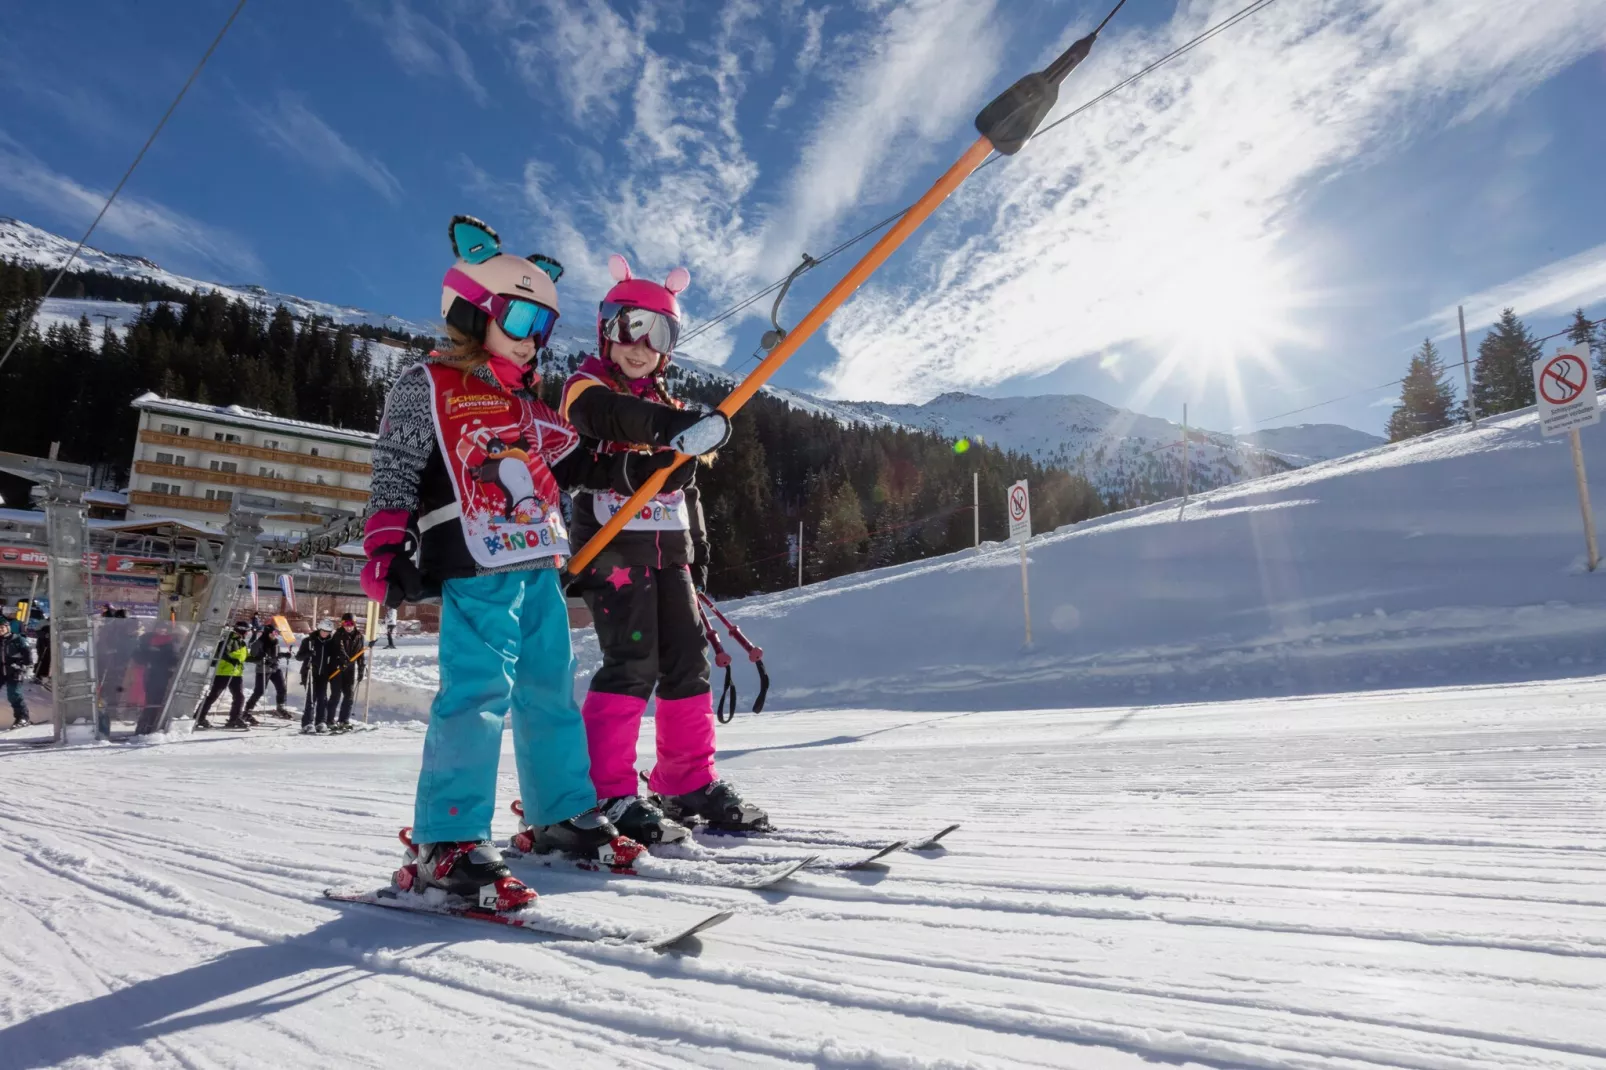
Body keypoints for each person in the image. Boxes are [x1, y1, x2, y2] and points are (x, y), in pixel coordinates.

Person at [360, 215, 644, 911]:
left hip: (537, 557)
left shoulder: (528, 404)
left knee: (549, 687)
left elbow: (581, 460)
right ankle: (446, 838)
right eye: (519, 316)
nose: (530, 335)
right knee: (478, 690)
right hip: (474, 553)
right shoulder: (424, 383)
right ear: (472, 310)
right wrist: (385, 544)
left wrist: (645, 466)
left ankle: (560, 815)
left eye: (543, 324)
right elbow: (394, 468)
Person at [558, 253, 768, 842]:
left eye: (659, 333)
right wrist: (664, 439)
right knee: (631, 664)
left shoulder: (670, 409)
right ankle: (608, 790)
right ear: (607, 329)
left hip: (668, 553)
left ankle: (684, 779)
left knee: (686, 663)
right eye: (630, 327)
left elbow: (682, 487)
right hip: (611, 549)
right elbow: (611, 419)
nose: (641, 346)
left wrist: (694, 550)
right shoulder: (587, 386)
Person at [195, 621, 252, 730]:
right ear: (242, 630)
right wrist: (232, 660)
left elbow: (246, 657)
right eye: (247, 631)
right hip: (224, 672)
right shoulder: (229, 639)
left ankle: (234, 718)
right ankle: (199, 717)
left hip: (236, 673)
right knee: (213, 696)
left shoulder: (242, 642)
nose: (248, 633)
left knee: (239, 696)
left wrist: (262, 659)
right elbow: (223, 652)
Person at [296, 619, 338, 733]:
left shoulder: (330, 642)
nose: (325, 633)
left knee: (322, 698)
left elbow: (334, 657)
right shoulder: (309, 641)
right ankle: (307, 723)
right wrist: (308, 654)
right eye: (323, 631)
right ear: (319, 629)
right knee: (311, 698)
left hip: (323, 674)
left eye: (328, 632)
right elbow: (298, 657)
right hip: (309, 673)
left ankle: (321, 722)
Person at [244, 622, 291, 720]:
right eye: (273, 633)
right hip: (263, 669)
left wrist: (284, 655)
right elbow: (252, 655)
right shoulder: (259, 643)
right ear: (267, 633)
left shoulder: (276, 641)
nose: (275, 635)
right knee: (259, 691)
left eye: (277, 633)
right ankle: (247, 711)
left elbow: (276, 654)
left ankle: (280, 708)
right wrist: (261, 658)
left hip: (274, 668)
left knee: (282, 688)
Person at [328, 612, 366, 732]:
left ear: (355, 624)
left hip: (349, 669)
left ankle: (344, 720)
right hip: (337, 668)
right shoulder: (338, 634)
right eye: (345, 623)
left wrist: (360, 669)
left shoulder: (359, 636)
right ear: (342, 624)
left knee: (349, 696)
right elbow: (339, 649)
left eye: (351, 624)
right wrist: (343, 661)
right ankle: (329, 720)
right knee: (336, 695)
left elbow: (360, 654)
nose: (348, 626)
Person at [1, 618, 33, 728]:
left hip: (14, 671)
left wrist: (23, 666)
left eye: (2, 627)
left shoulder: (18, 639)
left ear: (8, 628)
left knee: (14, 694)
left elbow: (28, 656)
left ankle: (23, 717)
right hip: (1, 671)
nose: (0, 630)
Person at [32, 618, 50, 683]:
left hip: (52, 644)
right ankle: (38, 675)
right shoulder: (42, 622)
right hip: (42, 644)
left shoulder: (57, 622)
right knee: (42, 659)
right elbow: (37, 631)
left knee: (50, 660)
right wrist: (45, 634)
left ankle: (46, 675)